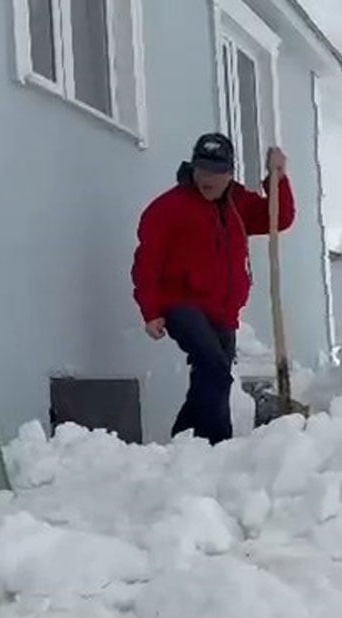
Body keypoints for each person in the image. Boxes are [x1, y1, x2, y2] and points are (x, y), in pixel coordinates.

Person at [131, 132, 295, 444]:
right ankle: (218, 445)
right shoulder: (168, 208)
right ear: (193, 168)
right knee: (216, 368)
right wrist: (150, 310)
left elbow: (279, 218)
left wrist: (278, 178)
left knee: (212, 378)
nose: (207, 179)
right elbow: (146, 262)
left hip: (223, 311)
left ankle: (186, 442)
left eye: (215, 173)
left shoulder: (238, 203)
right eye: (202, 170)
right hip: (180, 303)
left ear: (229, 174)